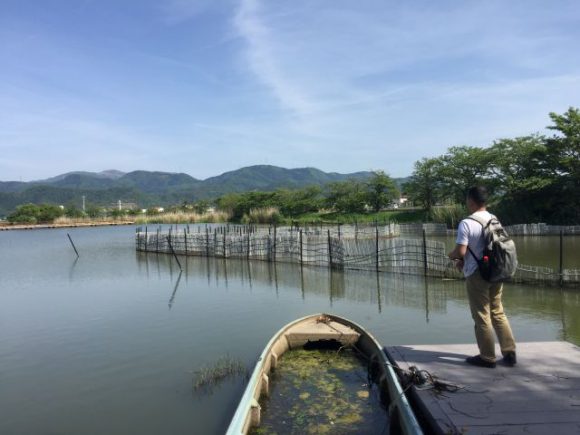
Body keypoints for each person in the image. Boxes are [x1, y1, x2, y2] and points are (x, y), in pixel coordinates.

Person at [448, 186, 517, 368]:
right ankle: (509, 353)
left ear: (471, 201)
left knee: (482, 315)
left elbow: (461, 250)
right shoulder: (493, 218)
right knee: (497, 311)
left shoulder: (466, 222)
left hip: (477, 274)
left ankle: (487, 357)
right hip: (496, 271)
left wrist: (452, 255)